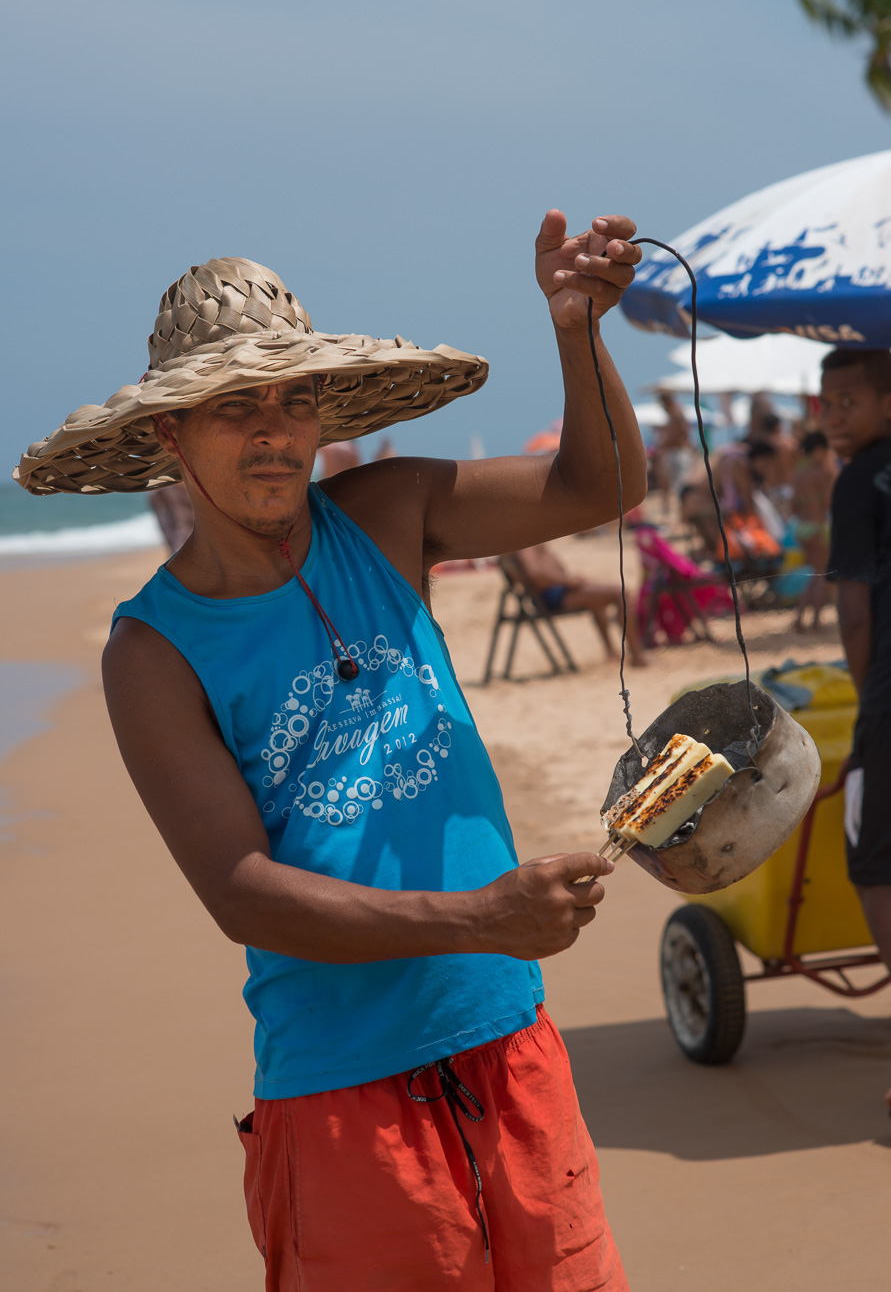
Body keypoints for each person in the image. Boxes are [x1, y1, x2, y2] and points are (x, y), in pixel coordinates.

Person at [14, 213, 645, 1290]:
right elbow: (243, 893)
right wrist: (483, 918)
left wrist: (578, 328)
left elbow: (602, 487)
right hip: (342, 1090)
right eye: (234, 406)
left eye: (292, 397)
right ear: (170, 433)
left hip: (507, 1037)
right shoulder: (154, 652)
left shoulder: (387, 514)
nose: (273, 431)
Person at [821, 348, 891, 1111]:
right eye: (825, 404)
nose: (833, 417)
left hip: (889, 696)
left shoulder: (855, 482)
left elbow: (852, 609)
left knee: (873, 863)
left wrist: (866, 693)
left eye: (848, 401)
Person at [514, 540, 647, 666]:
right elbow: (535, 573)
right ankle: (637, 657)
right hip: (554, 594)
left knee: (600, 596)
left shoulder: (528, 540)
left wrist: (570, 580)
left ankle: (612, 653)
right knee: (621, 593)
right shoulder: (526, 542)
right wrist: (568, 581)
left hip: (559, 589)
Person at [790, 430, 837, 632]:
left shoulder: (798, 472)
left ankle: (800, 617)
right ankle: (816, 621)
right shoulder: (821, 473)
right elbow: (830, 502)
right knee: (821, 575)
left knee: (814, 573)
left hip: (801, 527)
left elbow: (793, 506)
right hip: (818, 527)